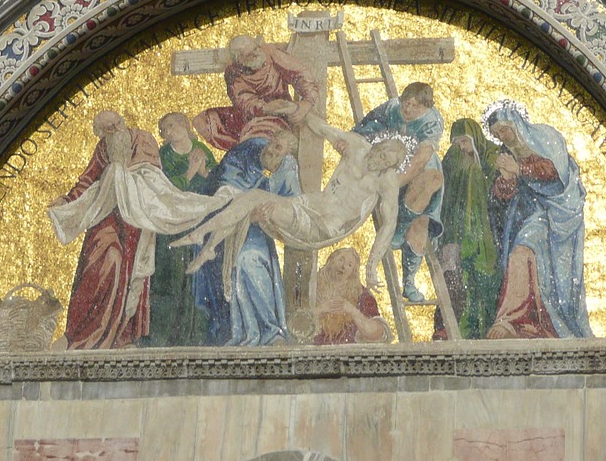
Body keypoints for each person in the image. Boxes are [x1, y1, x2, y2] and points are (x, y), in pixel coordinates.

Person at [48, 110, 231, 350]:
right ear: (101, 134)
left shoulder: (143, 140)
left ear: (124, 122)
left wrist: (122, 177)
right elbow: (88, 179)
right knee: (99, 260)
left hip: (138, 220)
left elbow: (152, 176)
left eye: (117, 124)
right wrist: (68, 199)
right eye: (108, 129)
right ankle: (80, 333)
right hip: (107, 216)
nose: (115, 131)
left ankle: (123, 335)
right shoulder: (103, 149)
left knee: (131, 272)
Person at [179, 115, 409, 294]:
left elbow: (389, 225)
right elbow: (321, 127)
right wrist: (303, 112)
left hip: (320, 226)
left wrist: (371, 266)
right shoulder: (357, 146)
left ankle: (202, 235)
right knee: (247, 199)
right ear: (378, 146)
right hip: (307, 205)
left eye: (386, 163)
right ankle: (207, 245)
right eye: (381, 154)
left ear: (390, 167)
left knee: (253, 197)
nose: (379, 161)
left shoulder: (386, 182)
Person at [481, 100, 592, 340]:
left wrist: (519, 169)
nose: (503, 136)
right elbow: (503, 195)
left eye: (504, 129)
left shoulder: (545, 136)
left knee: (530, 260)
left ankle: (537, 322)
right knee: (520, 253)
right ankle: (514, 321)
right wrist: (506, 179)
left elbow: (557, 174)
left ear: (516, 122)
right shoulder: (507, 153)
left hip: (559, 213)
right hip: (530, 215)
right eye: (497, 134)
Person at [203, 129, 301, 345]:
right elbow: (224, 192)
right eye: (274, 144)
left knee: (249, 260)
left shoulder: (287, 167)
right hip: (224, 226)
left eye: (280, 151)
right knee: (229, 262)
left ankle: (270, 331)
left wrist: (267, 216)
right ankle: (237, 331)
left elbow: (293, 204)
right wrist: (247, 215)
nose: (273, 152)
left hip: (259, 231)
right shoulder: (246, 151)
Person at [353, 82, 444, 302]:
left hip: (417, 175)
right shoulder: (391, 108)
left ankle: (409, 281)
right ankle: (398, 226)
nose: (408, 109)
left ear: (425, 108)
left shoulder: (432, 121)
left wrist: (396, 183)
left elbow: (421, 159)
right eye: (406, 103)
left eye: (415, 106)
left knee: (419, 224)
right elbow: (365, 128)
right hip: (388, 165)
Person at [147, 112, 217, 346]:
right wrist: (189, 171)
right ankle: (162, 337)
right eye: (164, 129)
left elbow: (217, 183)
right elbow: (163, 188)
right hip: (171, 225)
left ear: (185, 126)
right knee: (170, 279)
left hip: (200, 221)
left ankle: (195, 337)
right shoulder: (163, 155)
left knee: (198, 280)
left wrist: (203, 171)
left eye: (172, 125)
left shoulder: (201, 150)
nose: (169, 130)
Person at [436, 118, 504, 339]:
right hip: (454, 233)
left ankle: (487, 330)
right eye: (456, 143)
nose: (461, 148)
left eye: (464, 141)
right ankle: (449, 329)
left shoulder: (491, 156)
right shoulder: (452, 160)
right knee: (454, 280)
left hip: (485, 234)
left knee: (484, 280)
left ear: (475, 138)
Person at [193, 35, 321, 151]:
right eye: (249, 54)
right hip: (252, 114)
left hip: (281, 113)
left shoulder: (271, 53)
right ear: (239, 59)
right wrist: (264, 108)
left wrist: (307, 102)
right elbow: (244, 100)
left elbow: (300, 74)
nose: (256, 54)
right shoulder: (233, 72)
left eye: (256, 48)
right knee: (203, 121)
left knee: (263, 134)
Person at [312, 247, 390, 345]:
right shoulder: (310, 288)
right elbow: (293, 324)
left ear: (353, 271)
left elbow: (378, 334)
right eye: (341, 260)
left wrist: (352, 311)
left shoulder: (362, 295)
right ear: (331, 261)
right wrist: (320, 309)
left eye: (349, 265)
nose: (343, 266)